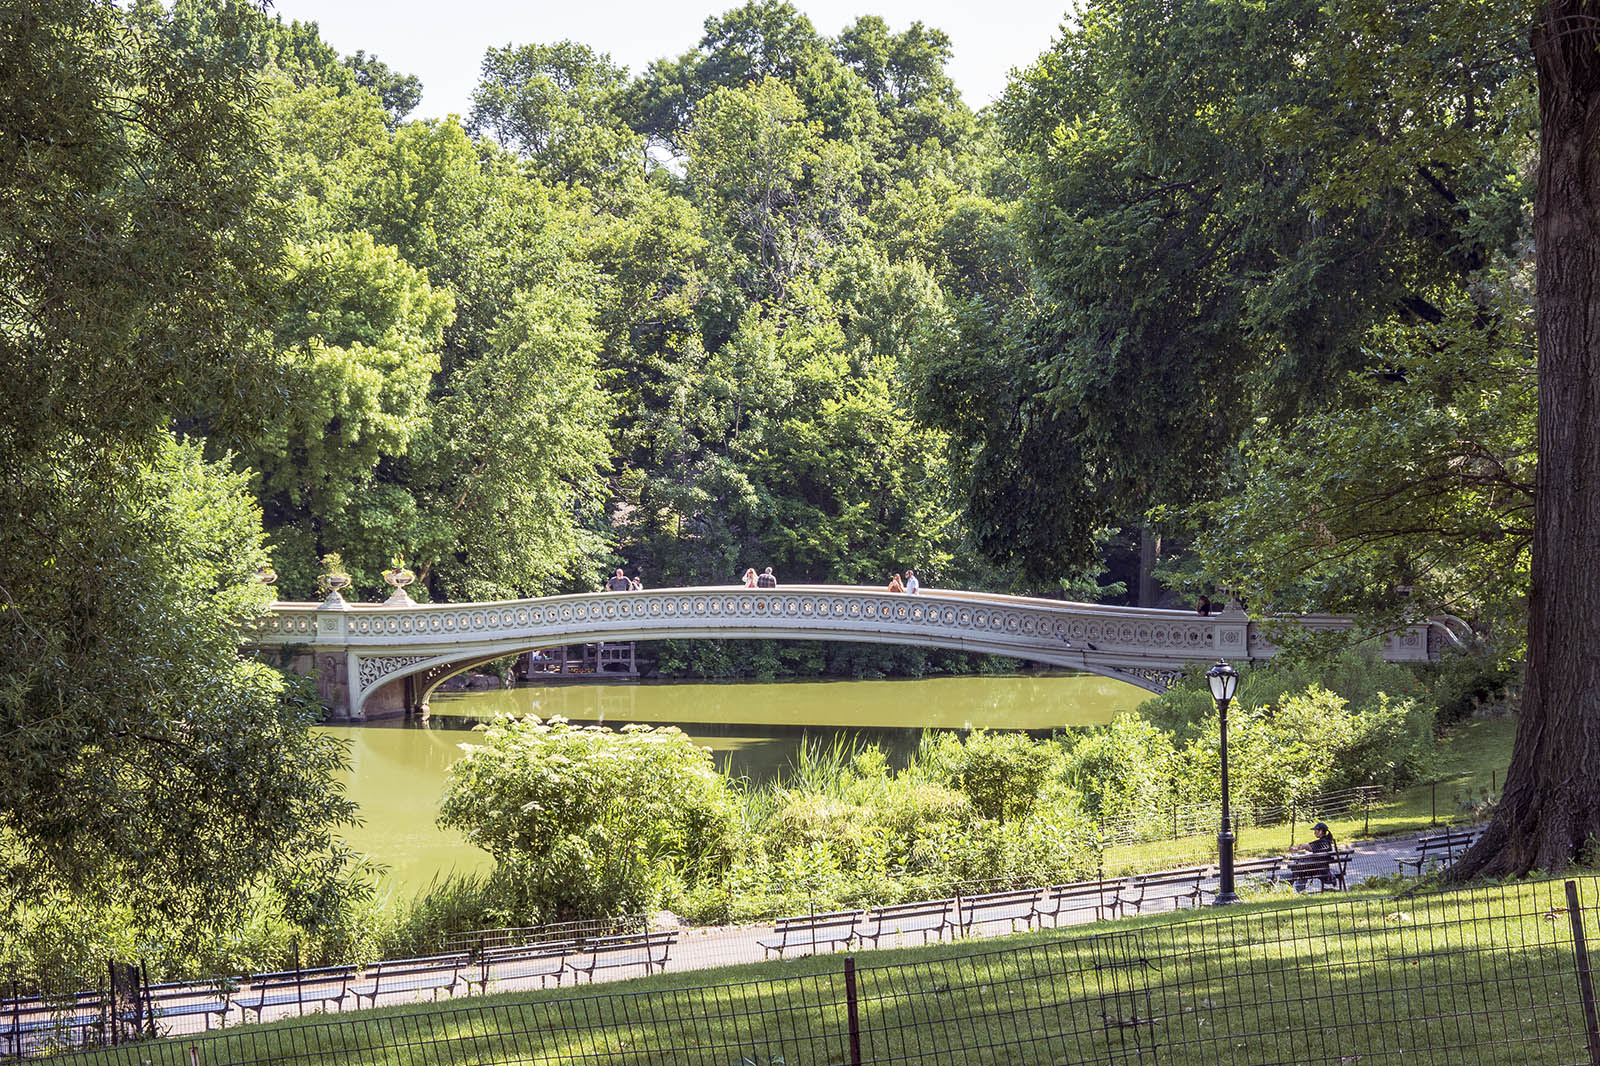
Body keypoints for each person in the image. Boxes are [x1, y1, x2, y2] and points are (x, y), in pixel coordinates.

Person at [1290, 822, 1338, 892]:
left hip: (1318, 870)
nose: (1314, 832)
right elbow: (1309, 847)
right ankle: (1299, 890)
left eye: (1316, 830)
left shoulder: (1322, 842)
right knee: (1300, 867)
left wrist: (1296, 849)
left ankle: (1300, 891)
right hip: (1322, 868)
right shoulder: (1326, 842)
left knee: (1300, 869)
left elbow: (1307, 846)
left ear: (1321, 831)